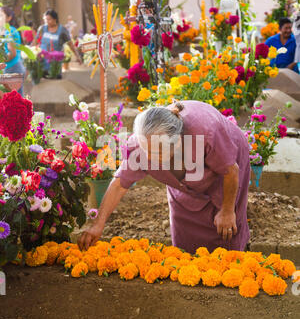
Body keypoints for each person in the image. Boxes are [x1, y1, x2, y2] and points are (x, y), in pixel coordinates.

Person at [78, 101, 251, 254]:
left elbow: (231, 172)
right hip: (182, 180)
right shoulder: (142, 142)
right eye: (147, 151)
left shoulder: (206, 132)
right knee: (184, 224)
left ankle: (231, 264)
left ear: (177, 143)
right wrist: (98, 224)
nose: (150, 158)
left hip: (225, 169)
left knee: (225, 226)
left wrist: (227, 211)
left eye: (157, 152)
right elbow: (120, 184)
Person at [35, 9, 82, 77]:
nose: (47, 22)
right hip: (42, 63)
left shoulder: (62, 30)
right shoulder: (42, 28)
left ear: (55, 19)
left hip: (55, 64)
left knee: (55, 82)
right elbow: (35, 42)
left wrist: (77, 56)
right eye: (45, 20)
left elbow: (70, 44)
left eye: (49, 19)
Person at [0, 6, 26, 97]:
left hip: (13, 68)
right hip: (8, 68)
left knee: (16, 100)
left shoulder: (10, 31)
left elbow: (12, 53)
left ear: (9, 18)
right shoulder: (3, 31)